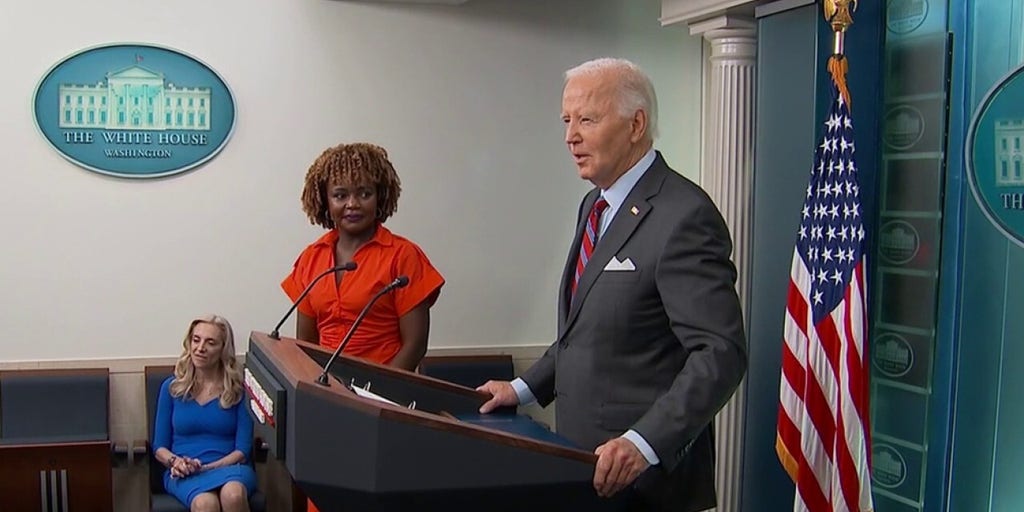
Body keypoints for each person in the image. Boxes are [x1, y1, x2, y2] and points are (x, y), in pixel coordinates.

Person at [477, 58, 747, 512]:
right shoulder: (595, 205)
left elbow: (720, 354)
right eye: (567, 121)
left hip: (645, 487)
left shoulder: (685, 215)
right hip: (583, 470)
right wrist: (520, 389)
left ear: (636, 124)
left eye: (587, 119)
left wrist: (643, 443)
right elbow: (584, 331)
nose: (570, 137)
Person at [281, 142, 445, 371]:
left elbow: (415, 345)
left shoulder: (403, 255)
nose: (352, 204)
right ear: (325, 201)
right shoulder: (311, 258)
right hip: (325, 391)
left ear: (380, 196)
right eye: (340, 195)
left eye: (364, 193)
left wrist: (375, 393)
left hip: (385, 393)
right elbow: (306, 344)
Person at [153, 315, 257, 512]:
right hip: (184, 472)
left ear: (223, 350)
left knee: (233, 495)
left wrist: (208, 468)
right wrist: (177, 462)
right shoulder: (171, 388)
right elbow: (159, 447)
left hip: (231, 468)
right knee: (205, 504)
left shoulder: (239, 390)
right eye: (196, 340)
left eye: (210, 343)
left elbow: (242, 451)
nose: (200, 348)